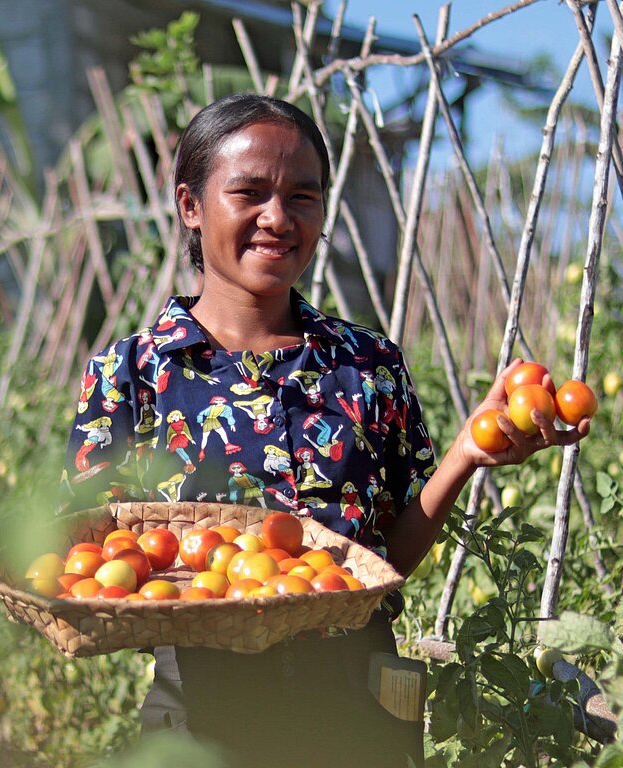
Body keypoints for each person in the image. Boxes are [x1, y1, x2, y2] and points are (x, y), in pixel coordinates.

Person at [62, 93, 589, 767]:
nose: (277, 219)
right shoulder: (130, 374)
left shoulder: (369, 366)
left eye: (302, 197)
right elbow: (86, 565)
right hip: (202, 708)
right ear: (191, 205)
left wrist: (465, 455)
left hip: (355, 703)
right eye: (248, 193)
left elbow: (384, 565)